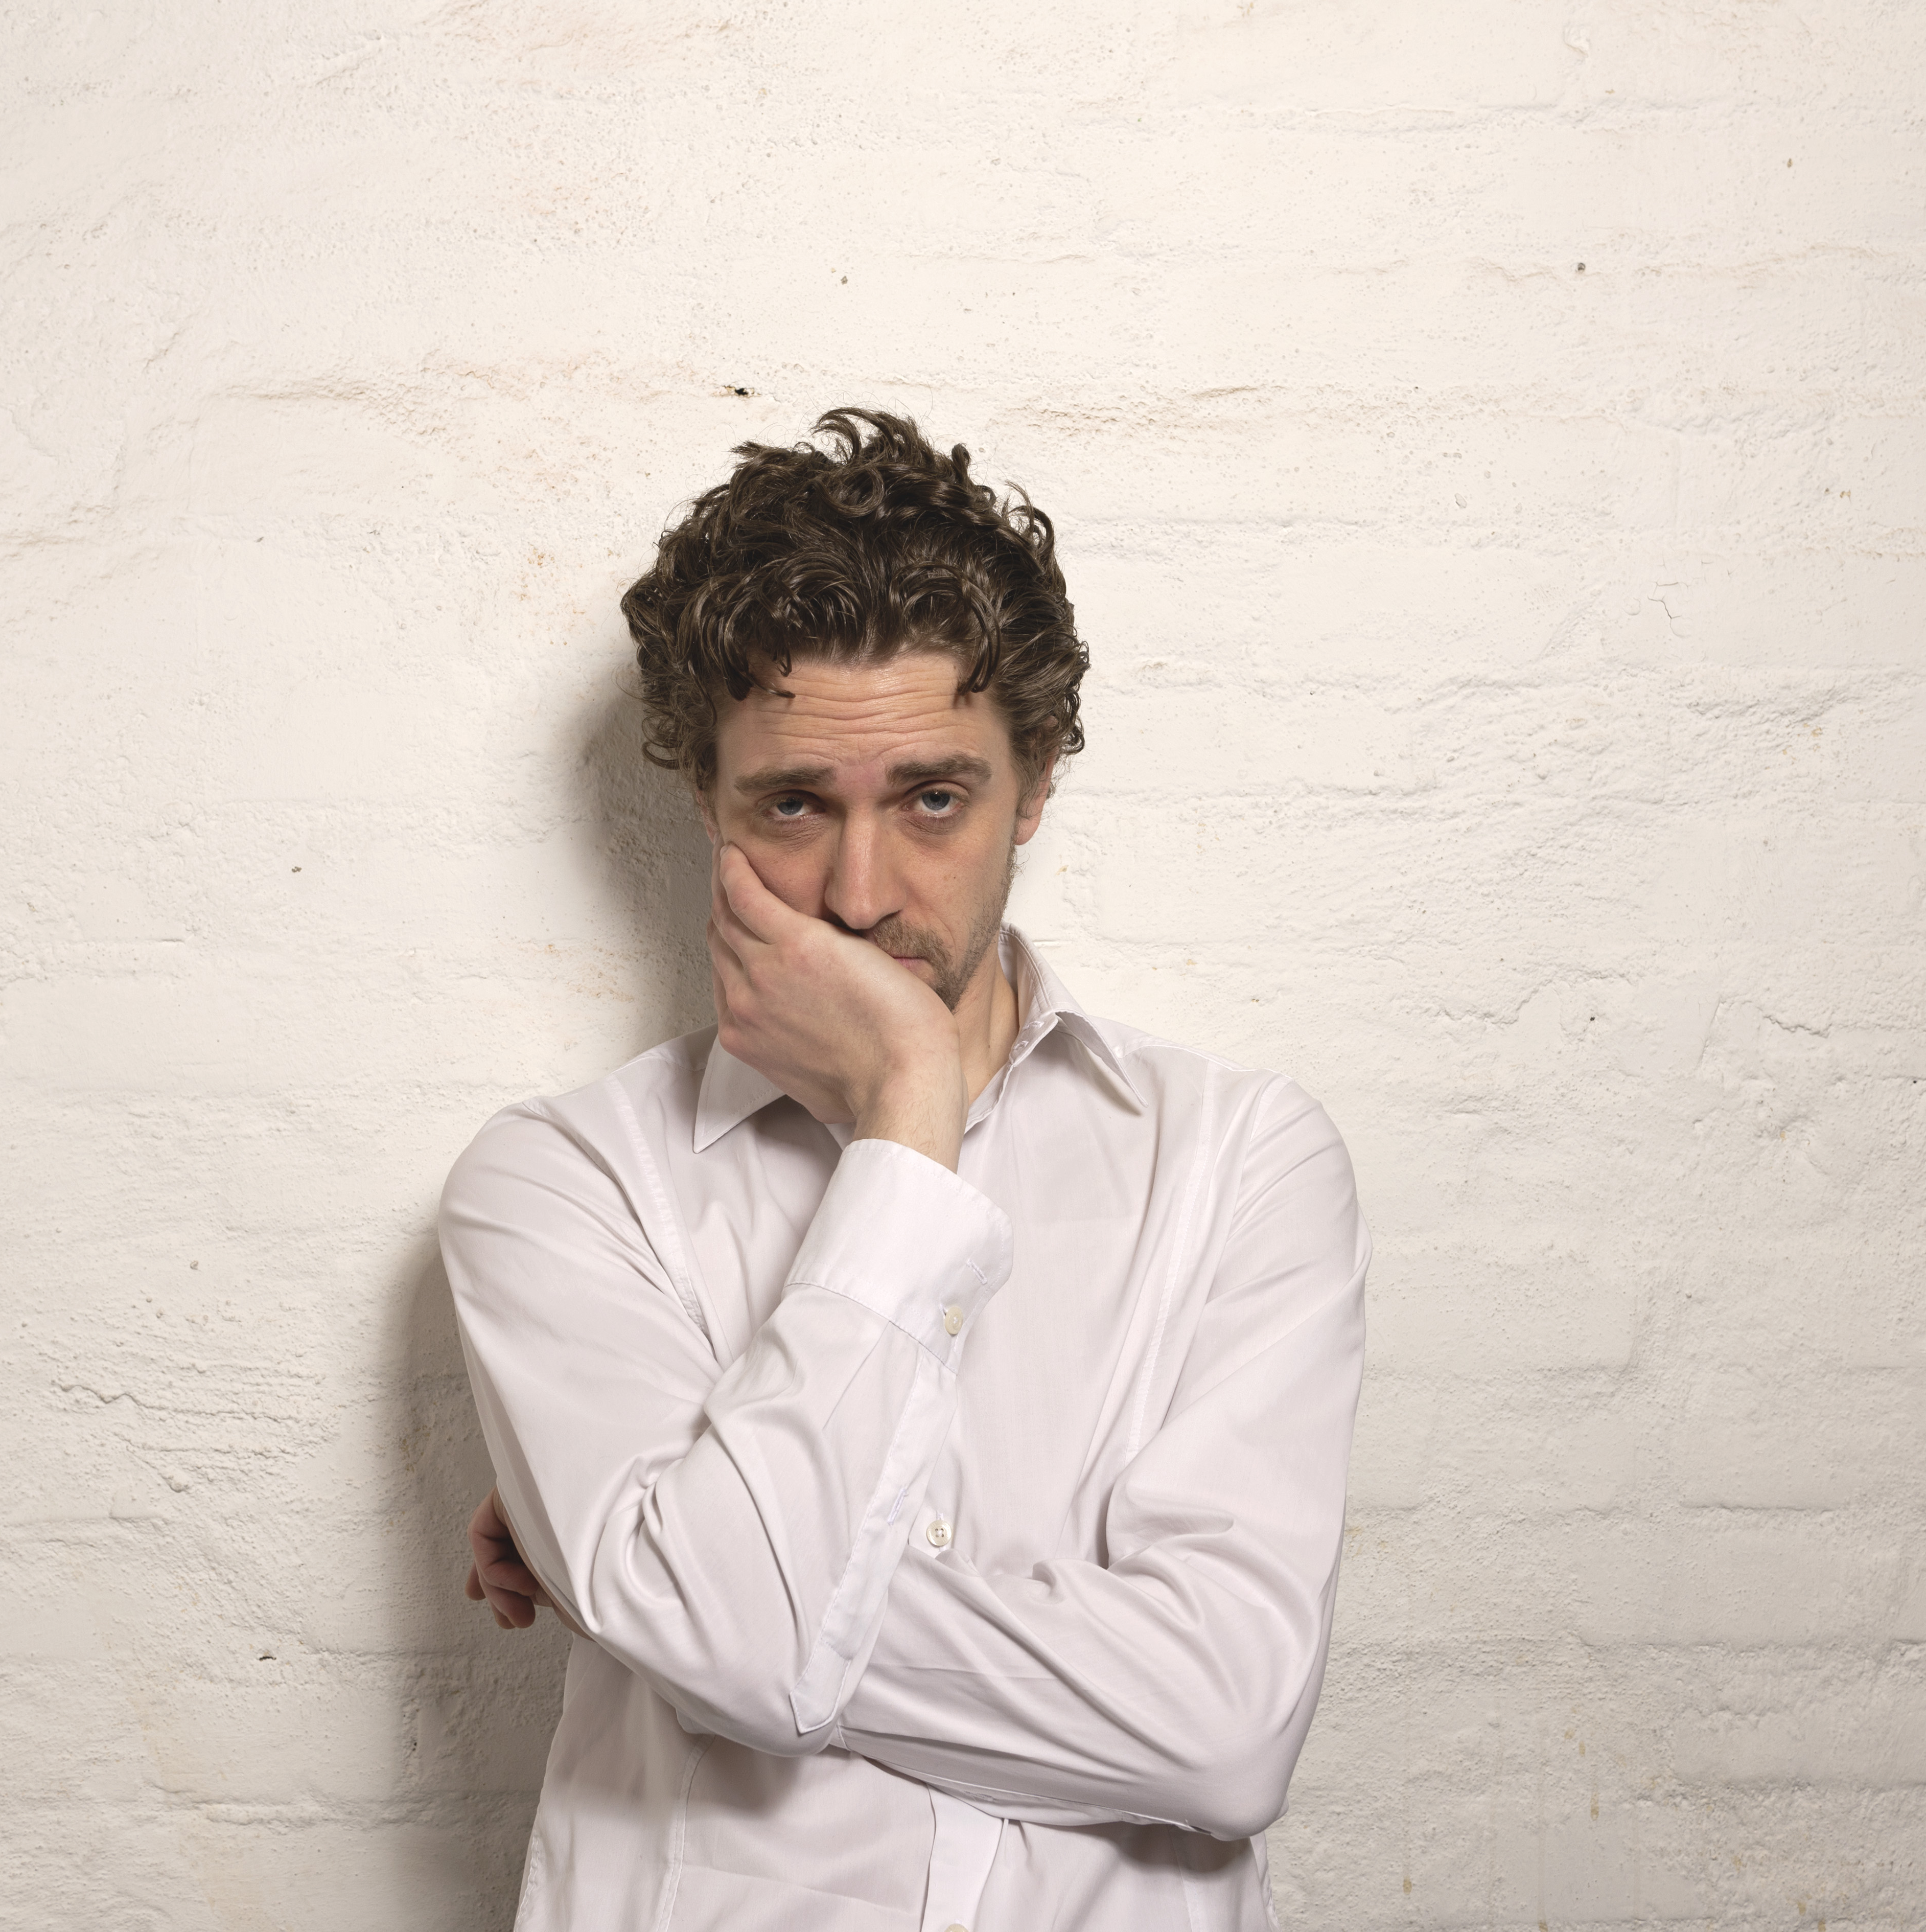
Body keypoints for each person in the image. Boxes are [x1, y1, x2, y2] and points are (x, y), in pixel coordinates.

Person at [438, 409, 1368, 1931]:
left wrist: (688, 1573)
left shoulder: (1239, 1163)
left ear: (1040, 785)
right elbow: (738, 1638)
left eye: (934, 797)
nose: (861, 896)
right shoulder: (561, 1183)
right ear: (705, 802)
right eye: (794, 803)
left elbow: (1226, 1731)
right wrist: (909, 1114)